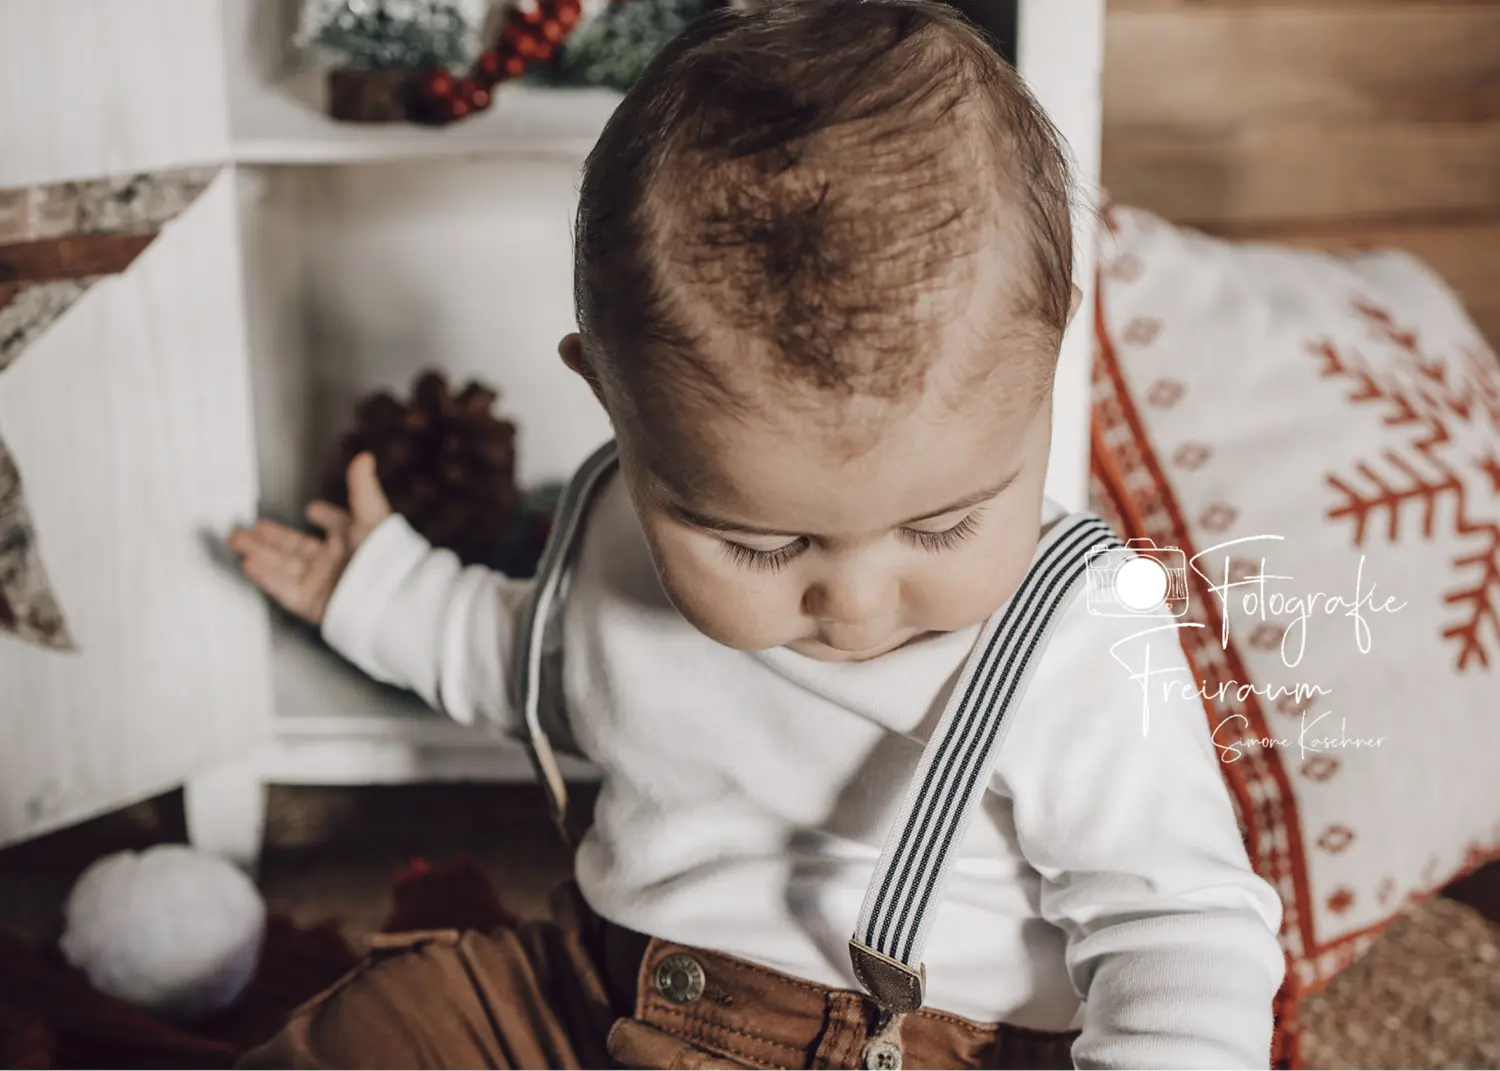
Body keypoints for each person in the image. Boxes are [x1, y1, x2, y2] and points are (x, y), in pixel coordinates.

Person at [227, 1, 1286, 1067]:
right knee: (372, 1035)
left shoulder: (1078, 637)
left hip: (895, 1043)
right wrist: (373, 591)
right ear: (612, 401)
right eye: (765, 547)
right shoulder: (616, 531)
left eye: (945, 523)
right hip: (593, 984)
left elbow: (1180, 929)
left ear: (1052, 353)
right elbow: (538, 663)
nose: (857, 602)